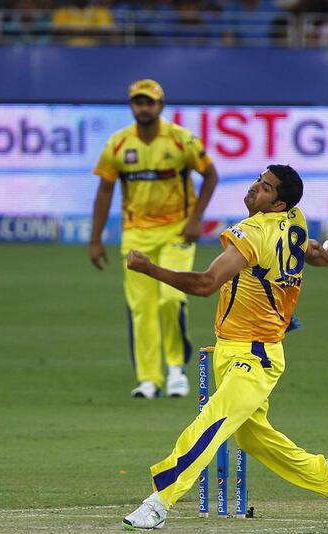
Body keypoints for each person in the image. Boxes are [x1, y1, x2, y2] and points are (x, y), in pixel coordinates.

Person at [121, 164, 328, 530]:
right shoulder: (295, 218)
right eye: (258, 181)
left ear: (278, 204)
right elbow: (307, 248)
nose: (253, 189)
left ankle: (159, 501)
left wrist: (150, 269)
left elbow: (205, 283)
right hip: (229, 348)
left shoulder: (252, 233)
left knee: (212, 421)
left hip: (256, 356)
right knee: (252, 436)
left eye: (265, 188)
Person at [90, 79, 218, 399]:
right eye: (138, 102)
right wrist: (95, 239)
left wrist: (195, 219)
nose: (143, 108)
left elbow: (211, 174)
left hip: (176, 231)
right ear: (132, 106)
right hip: (136, 234)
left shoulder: (181, 140)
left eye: (149, 102)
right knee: (142, 307)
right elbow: (104, 190)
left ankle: (176, 368)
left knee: (171, 298)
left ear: (160, 106)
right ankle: (149, 378)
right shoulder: (118, 144)